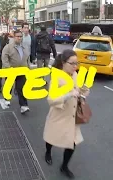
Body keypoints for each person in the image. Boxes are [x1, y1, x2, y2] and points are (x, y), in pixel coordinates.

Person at [43, 49, 89, 179]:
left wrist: (83, 91)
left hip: (72, 116)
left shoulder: (74, 75)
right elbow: (51, 100)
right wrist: (68, 95)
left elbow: (78, 90)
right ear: (63, 63)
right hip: (58, 115)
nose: (75, 66)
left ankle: (64, 166)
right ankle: (48, 152)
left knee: (72, 143)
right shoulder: (56, 78)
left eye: (77, 63)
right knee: (51, 137)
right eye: (72, 63)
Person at [1, 30, 30, 114]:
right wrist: (8, 67)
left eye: (21, 36)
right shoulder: (8, 47)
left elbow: (27, 58)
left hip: (22, 71)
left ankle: (23, 105)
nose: (19, 38)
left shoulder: (25, 47)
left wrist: (28, 68)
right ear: (14, 37)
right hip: (11, 70)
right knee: (8, 86)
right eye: (18, 36)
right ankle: (6, 99)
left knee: (21, 88)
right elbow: (4, 58)